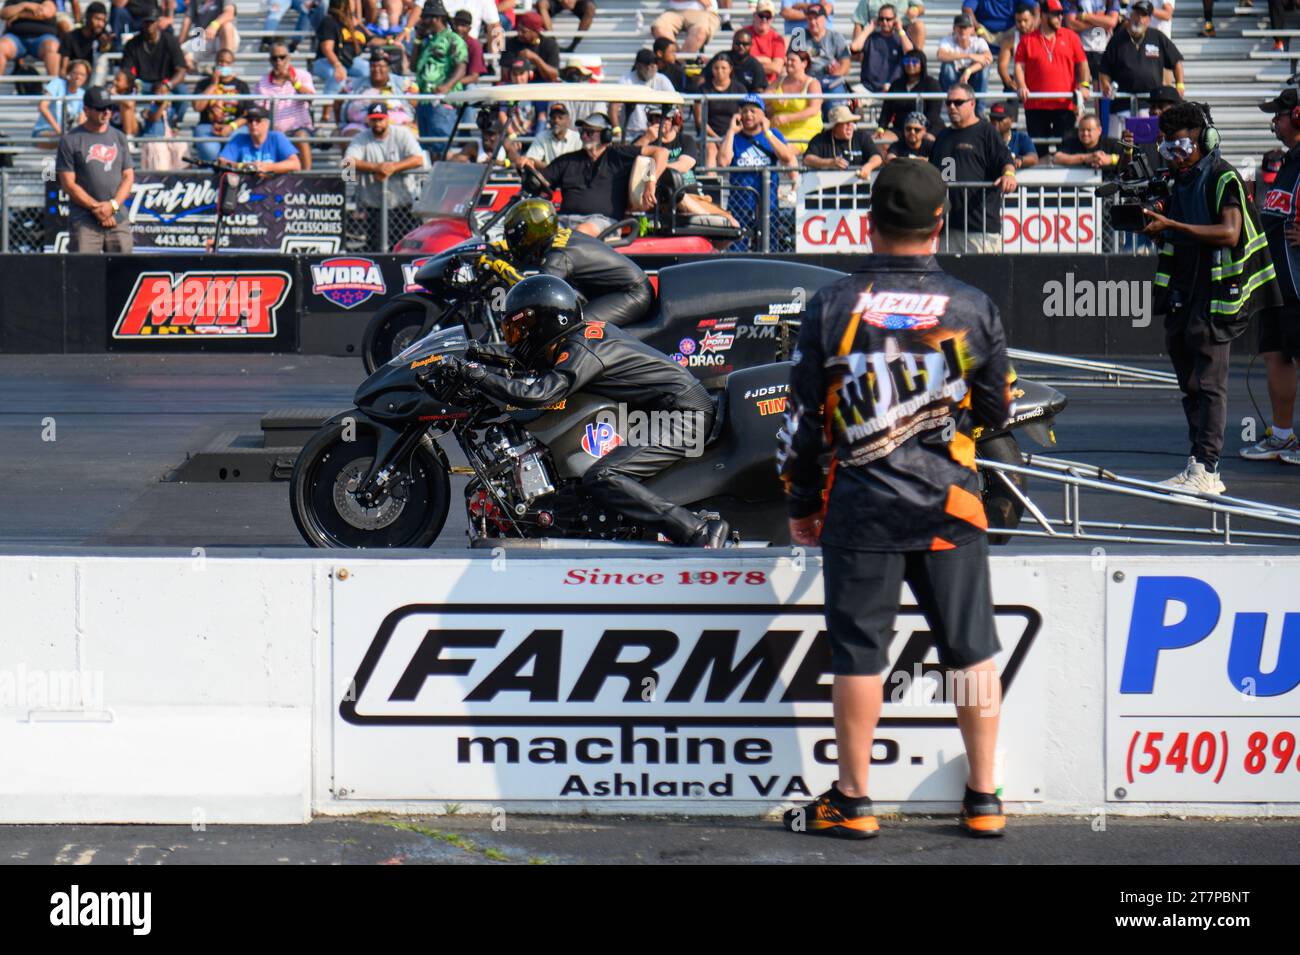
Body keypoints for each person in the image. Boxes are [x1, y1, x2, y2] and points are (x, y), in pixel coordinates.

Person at [779, 158, 1013, 840]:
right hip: (951, 505)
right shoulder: (973, 305)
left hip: (861, 506)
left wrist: (799, 500)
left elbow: (800, 421)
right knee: (969, 651)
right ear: (939, 224)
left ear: (868, 222)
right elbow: (997, 411)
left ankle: (854, 799)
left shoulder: (831, 304)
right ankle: (983, 795)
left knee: (859, 653)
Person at [448, 275, 730, 547]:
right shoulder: (577, 339)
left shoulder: (581, 348)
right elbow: (521, 366)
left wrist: (478, 376)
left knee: (604, 476)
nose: (515, 340)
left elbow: (539, 394)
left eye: (519, 330)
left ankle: (697, 531)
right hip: (660, 409)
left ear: (545, 323)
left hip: (683, 413)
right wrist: (478, 355)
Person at [1141, 102, 1281, 493]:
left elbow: (1230, 233)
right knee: (1189, 383)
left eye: (1182, 147)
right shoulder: (1176, 181)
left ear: (1204, 140)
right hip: (1183, 291)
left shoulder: (1223, 177)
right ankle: (1197, 462)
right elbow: (1176, 231)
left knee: (1209, 382)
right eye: (1168, 149)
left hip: (1217, 294)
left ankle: (1209, 470)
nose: (1175, 157)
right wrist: (1160, 228)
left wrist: (1174, 225)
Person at [1240, 88, 1300, 465]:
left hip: (1298, 282)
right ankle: (1282, 436)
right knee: (1275, 355)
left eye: (1278, 115)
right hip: (1275, 280)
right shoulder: (1287, 162)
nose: (1274, 123)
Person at [490, 198, 657, 326]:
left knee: (571, 327)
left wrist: (497, 265)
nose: (514, 241)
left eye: (516, 237)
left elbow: (536, 292)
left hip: (632, 294)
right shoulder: (561, 235)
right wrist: (497, 248)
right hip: (624, 290)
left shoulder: (557, 256)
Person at [519, 112, 669, 236]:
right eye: (582, 132)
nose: (583, 136)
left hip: (602, 222)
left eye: (589, 132)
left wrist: (651, 182)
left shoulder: (618, 155)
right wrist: (526, 166)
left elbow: (661, 152)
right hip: (564, 221)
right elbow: (539, 182)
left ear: (606, 135)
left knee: (579, 234)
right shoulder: (568, 160)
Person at [929, 81, 1016, 251]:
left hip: (979, 228)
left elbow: (1006, 161)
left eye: (958, 102)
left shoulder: (986, 132)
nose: (952, 107)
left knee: (983, 277)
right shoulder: (943, 136)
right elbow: (937, 175)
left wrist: (1009, 175)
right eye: (948, 103)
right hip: (948, 228)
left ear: (972, 103)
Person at [55, 85, 135, 253]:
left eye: (109, 107)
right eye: (100, 108)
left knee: (124, 273)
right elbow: (68, 184)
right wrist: (97, 208)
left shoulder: (119, 137)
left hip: (117, 217)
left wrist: (112, 207)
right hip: (85, 219)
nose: (106, 112)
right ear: (86, 110)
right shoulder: (70, 140)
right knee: (83, 274)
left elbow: (128, 177)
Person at [344, 101, 428, 249]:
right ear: (368, 120)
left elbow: (418, 159)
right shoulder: (362, 138)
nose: (377, 123)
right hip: (374, 204)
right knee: (376, 246)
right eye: (374, 119)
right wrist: (377, 167)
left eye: (380, 119)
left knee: (405, 246)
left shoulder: (402, 134)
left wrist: (393, 168)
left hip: (402, 203)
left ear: (387, 118)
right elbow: (347, 163)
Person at [720, 93, 799, 249]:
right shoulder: (734, 138)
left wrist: (767, 132)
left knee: (769, 246)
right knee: (737, 246)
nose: (748, 115)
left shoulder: (774, 135)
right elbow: (723, 162)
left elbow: (787, 157)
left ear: (763, 114)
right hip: (740, 201)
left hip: (767, 201)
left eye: (753, 111)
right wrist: (730, 131)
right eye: (745, 111)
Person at [1098, 0, 1184, 140]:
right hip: (1121, 104)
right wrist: (1106, 85)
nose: (1139, 19)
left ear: (1149, 20)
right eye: (1137, 14)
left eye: (1144, 16)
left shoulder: (1157, 37)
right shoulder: (1117, 39)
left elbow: (1176, 61)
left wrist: (1180, 84)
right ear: (1131, 16)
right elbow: (1104, 69)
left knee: (1148, 145)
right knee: (1118, 145)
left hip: (1150, 106)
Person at [1014, 0, 1089, 157]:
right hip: (1035, 105)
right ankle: (1040, 183)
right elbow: (1019, 67)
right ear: (1043, 15)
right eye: (1055, 14)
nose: (1060, 17)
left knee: (1065, 150)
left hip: (1065, 104)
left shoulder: (1071, 37)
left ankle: (1065, 183)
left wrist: (1085, 85)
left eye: (1061, 13)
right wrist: (1021, 85)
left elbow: (1083, 64)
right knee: (1038, 151)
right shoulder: (1027, 40)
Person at [118, 6, 187, 137]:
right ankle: (131, 131)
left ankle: (175, 122)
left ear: (158, 22)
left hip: (165, 83)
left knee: (183, 93)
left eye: (152, 21)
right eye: (146, 22)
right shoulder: (132, 44)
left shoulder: (170, 41)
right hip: (141, 84)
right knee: (125, 94)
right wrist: (133, 83)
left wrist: (168, 85)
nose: (149, 25)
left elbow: (181, 70)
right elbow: (126, 71)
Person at [412, 0, 466, 155]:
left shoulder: (453, 39)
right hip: (424, 100)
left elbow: (461, 67)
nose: (422, 21)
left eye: (425, 18)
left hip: (442, 100)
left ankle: (446, 179)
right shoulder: (427, 40)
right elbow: (413, 66)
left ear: (435, 18)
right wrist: (417, 39)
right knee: (429, 149)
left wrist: (446, 86)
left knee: (443, 146)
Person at [256, 39, 316, 170]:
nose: (278, 62)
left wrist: (293, 81)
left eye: (282, 57)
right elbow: (260, 112)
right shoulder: (262, 82)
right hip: (276, 130)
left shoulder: (302, 75)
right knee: (272, 136)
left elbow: (311, 98)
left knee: (300, 137)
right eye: (274, 58)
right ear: (270, 60)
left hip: (300, 127)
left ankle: (308, 175)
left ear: (289, 58)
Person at [339, 49, 417, 135]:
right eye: (373, 66)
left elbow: (419, 103)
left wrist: (415, 123)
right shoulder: (354, 85)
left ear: (388, 67)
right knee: (349, 136)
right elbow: (337, 103)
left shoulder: (403, 83)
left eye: (381, 66)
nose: (376, 69)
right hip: (361, 127)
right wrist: (341, 125)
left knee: (411, 133)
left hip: (398, 126)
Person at [192, 48, 249, 162]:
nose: (223, 65)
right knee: (210, 151)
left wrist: (230, 127)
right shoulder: (204, 83)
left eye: (227, 62)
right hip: (208, 126)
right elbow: (197, 107)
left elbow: (247, 114)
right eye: (220, 62)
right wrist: (213, 85)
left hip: (234, 126)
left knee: (234, 148)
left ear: (232, 64)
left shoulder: (241, 85)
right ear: (215, 62)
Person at [312, 0, 374, 102]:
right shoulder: (329, 20)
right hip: (325, 61)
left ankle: (360, 104)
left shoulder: (354, 22)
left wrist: (391, 42)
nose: (355, 2)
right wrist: (337, 65)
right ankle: (326, 111)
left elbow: (371, 40)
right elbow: (327, 49)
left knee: (367, 70)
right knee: (338, 76)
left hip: (349, 61)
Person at [876, 48, 941, 142]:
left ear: (922, 64)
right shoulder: (896, 84)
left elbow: (934, 113)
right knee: (881, 141)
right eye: (907, 61)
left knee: (928, 141)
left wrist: (921, 130)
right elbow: (886, 110)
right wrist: (881, 128)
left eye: (915, 61)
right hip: (900, 128)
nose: (910, 64)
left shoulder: (931, 84)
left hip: (927, 128)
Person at [217, 103, 303, 173]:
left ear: (267, 123)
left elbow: (295, 164)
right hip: (244, 190)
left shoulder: (277, 138)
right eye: (250, 121)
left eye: (258, 120)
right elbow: (221, 162)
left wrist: (267, 168)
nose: (253, 124)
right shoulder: (239, 139)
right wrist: (242, 166)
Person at [695, 53, 748, 166]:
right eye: (716, 68)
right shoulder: (703, 89)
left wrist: (729, 135)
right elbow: (700, 120)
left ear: (730, 69)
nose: (720, 71)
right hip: (708, 134)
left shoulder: (739, 89)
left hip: (733, 132)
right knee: (711, 150)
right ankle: (711, 181)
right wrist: (717, 138)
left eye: (723, 68)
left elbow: (742, 115)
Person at [803, 103, 883, 177]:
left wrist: (868, 166)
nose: (850, 126)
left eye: (851, 122)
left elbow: (877, 157)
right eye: (845, 123)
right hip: (828, 188)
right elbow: (808, 159)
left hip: (859, 187)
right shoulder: (820, 139)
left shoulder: (861, 136)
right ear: (835, 126)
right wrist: (830, 162)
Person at [614, 47, 676, 140]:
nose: (653, 69)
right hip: (630, 134)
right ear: (638, 66)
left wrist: (675, 128)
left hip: (656, 133)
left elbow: (676, 104)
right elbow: (613, 108)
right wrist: (617, 131)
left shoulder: (662, 80)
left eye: (655, 66)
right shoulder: (626, 81)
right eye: (649, 66)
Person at [851, 3, 913, 94]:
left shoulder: (901, 38)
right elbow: (854, 47)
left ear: (895, 20)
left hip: (894, 89)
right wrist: (870, 27)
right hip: (868, 88)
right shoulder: (870, 38)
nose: (884, 22)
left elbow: (911, 53)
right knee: (848, 101)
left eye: (888, 19)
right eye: (881, 19)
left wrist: (900, 29)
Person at [769, 49, 822, 153]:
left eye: (793, 60)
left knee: (783, 150)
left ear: (804, 63)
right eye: (787, 60)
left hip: (803, 130)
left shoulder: (812, 83)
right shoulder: (779, 81)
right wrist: (774, 97)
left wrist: (788, 118)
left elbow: (814, 109)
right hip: (778, 129)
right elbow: (763, 98)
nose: (788, 63)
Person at [938, 13, 993, 104]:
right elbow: (940, 55)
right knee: (947, 67)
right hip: (954, 75)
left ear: (972, 29)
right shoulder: (947, 40)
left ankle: (979, 108)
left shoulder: (979, 41)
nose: (963, 30)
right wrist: (969, 56)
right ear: (954, 29)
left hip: (972, 76)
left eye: (966, 27)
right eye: (960, 27)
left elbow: (988, 58)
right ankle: (953, 102)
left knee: (985, 68)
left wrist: (969, 71)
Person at [35, 57, 90, 147]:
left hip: (67, 136)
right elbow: (42, 107)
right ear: (69, 74)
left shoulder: (82, 94)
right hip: (45, 131)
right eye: (75, 73)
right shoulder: (57, 83)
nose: (78, 77)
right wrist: (60, 131)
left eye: (82, 74)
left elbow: (81, 119)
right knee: (67, 142)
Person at [0, 0, 62, 78]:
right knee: (1, 46)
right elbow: (3, 14)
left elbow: (45, 13)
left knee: (52, 46)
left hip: (42, 39)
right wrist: (24, 5)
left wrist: (19, 15)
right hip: (16, 39)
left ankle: (55, 86)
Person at [1065, 0, 1118, 88]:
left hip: (1103, 51)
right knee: (1082, 89)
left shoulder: (1111, 1)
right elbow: (1071, 24)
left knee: (1101, 93)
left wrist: (1084, 16)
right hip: (1081, 50)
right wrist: (1100, 21)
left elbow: (1111, 22)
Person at [1054, 110, 1127, 174]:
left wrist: (1111, 159)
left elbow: (1128, 159)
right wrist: (1087, 158)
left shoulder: (1111, 143)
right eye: (1082, 130)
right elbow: (1057, 158)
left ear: (1099, 130)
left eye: (1089, 130)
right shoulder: (1071, 142)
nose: (1085, 133)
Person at [511, 101, 581, 165]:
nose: (556, 120)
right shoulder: (542, 137)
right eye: (553, 117)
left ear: (568, 121)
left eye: (560, 117)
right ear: (549, 121)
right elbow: (531, 158)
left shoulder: (577, 138)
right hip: (548, 178)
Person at [704, 27, 768, 93]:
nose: (741, 46)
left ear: (751, 45)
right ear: (732, 43)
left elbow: (759, 91)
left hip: (745, 102)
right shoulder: (721, 58)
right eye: (738, 43)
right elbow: (702, 78)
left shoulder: (756, 66)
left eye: (745, 44)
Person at [60, 2, 115, 75]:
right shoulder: (71, 37)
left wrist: (104, 45)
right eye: (97, 19)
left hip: (95, 77)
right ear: (88, 17)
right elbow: (63, 68)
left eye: (103, 21)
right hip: (74, 77)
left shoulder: (104, 37)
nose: (100, 24)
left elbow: (106, 53)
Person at [180, 0, 239, 68]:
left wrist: (214, 25)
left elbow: (229, 13)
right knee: (181, 54)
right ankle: (202, 71)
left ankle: (225, 69)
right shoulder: (195, 1)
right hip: (205, 38)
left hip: (223, 37)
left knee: (227, 26)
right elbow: (187, 20)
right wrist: (180, 43)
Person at [503, 10, 559, 81]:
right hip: (517, 86)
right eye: (518, 29)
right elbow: (505, 75)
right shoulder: (511, 43)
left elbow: (553, 77)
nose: (519, 33)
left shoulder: (549, 45)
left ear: (535, 32)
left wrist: (536, 59)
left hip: (542, 86)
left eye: (524, 31)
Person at [652, 0, 721, 54]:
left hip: (703, 12)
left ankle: (678, 63)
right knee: (659, 27)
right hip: (674, 11)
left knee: (700, 32)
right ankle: (676, 61)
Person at [997, 1, 1037, 92]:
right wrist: (1009, 82)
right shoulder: (1009, 41)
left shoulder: (1042, 39)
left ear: (1033, 19)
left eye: (1025, 20)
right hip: (1017, 82)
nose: (1022, 24)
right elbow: (1002, 66)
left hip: (1038, 81)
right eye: (1019, 21)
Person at [988, 98, 1037, 167]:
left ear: (1012, 119)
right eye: (993, 119)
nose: (996, 122)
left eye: (1000, 119)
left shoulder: (1021, 138)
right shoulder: (985, 138)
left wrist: (1020, 159)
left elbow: (1033, 158)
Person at [750, 0, 786, 85]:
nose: (764, 19)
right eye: (761, 15)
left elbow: (777, 68)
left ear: (772, 19)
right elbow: (740, 65)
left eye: (768, 17)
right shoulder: (743, 35)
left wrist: (752, 63)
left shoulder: (777, 38)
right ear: (754, 15)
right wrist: (767, 61)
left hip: (770, 86)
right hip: (747, 83)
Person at [450, 8, 485, 87]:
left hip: (464, 83)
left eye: (463, 25)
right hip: (446, 80)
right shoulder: (447, 42)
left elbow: (474, 77)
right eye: (457, 24)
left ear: (469, 29)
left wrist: (451, 84)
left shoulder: (474, 45)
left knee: (471, 88)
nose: (459, 28)